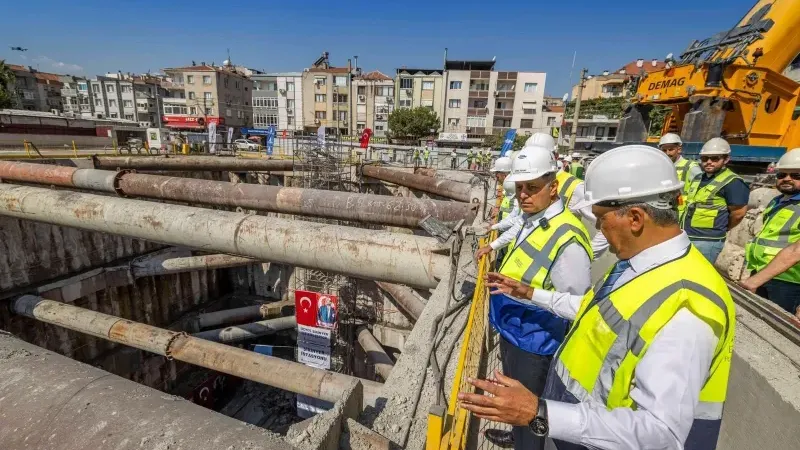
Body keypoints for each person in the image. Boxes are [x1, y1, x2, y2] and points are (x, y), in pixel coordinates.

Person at [461, 145, 736, 450]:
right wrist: (530, 293)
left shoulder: (686, 306)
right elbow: (592, 309)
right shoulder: (639, 266)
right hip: (579, 427)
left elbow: (661, 433)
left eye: (601, 218)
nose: (597, 228)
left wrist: (539, 412)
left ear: (634, 218)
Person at [475, 146, 593, 450]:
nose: (523, 195)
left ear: (553, 187)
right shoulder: (533, 219)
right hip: (515, 330)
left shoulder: (567, 238)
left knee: (530, 413)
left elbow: (579, 306)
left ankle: (526, 442)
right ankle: (517, 437)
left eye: (533, 187)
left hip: (535, 342)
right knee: (515, 404)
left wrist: (528, 293)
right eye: (520, 188)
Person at [485, 135, 609, 257]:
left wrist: (584, 255)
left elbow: (607, 224)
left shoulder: (575, 187)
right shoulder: (526, 182)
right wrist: (493, 245)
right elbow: (522, 222)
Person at [741, 148, 800, 319]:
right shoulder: (777, 201)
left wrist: (755, 280)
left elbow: (795, 251)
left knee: (775, 329)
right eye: (782, 175)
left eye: (796, 176)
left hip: (788, 283)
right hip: (762, 273)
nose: (787, 179)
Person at [681, 137, 749, 263]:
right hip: (688, 235)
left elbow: (738, 213)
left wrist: (724, 227)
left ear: (726, 159)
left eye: (715, 158)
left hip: (707, 241)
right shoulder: (700, 178)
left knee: (699, 276)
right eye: (705, 158)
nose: (709, 162)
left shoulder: (733, 182)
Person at [658, 133, 702, 215]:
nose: (667, 153)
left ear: (679, 149)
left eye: (671, 149)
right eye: (664, 150)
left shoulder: (690, 167)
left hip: (682, 212)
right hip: (664, 209)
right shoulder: (661, 166)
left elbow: (699, 192)